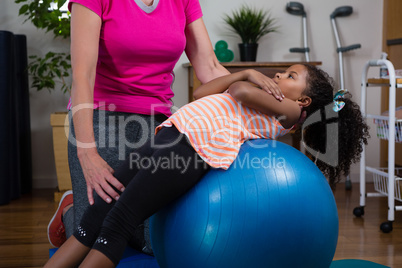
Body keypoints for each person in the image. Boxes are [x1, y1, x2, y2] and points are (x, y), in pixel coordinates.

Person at [44, 64, 370, 267]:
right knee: (99, 210)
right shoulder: (264, 95)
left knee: (119, 221)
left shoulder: (290, 114)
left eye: (291, 76)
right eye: (283, 71)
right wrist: (244, 72)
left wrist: (249, 79)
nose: (279, 75)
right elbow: (201, 91)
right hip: (171, 135)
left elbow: (239, 91)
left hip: (190, 151)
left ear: (304, 102)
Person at [47, 0, 294, 253]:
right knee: (91, 233)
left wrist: (269, 103)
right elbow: (82, 74)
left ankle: (91, 210)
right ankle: (71, 210)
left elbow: (208, 66)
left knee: (154, 241)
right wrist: (87, 152)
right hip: (101, 118)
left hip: (157, 123)